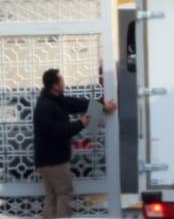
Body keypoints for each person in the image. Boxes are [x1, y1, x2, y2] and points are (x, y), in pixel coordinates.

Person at [33, 68, 117, 219]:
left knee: (52, 195)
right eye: (62, 81)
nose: (64, 84)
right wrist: (81, 123)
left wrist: (102, 105)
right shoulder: (45, 106)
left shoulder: (56, 100)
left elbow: (78, 103)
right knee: (64, 192)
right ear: (55, 85)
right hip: (53, 161)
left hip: (50, 159)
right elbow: (57, 131)